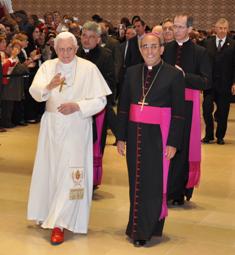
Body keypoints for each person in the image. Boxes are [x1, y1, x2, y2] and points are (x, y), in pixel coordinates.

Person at [27, 31, 111, 245]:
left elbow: (101, 101)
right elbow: (35, 92)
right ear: (56, 49)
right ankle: (47, 212)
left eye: (69, 49)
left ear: (76, 49)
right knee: (50, 170)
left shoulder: (88, 68)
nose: (65, 54)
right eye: (61, 49)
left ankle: (60, 223)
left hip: (76, 126)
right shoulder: (48, 67)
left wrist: (78, 106)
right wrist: (48, 86)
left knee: (70, 174)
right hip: (51, 126)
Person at [117, 33, 185, 247]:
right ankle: (138, 226)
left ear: (162, 49)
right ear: (140, 49)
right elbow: (124, 107)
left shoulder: (174, 75)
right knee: (136, 182)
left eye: (154, 46)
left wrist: (173, 142)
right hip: (135, 133)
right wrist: (120, 137)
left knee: (153, 183)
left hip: (158, 136)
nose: (149, 51)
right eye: (144, 46)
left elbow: (179, 113)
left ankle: (148, 228)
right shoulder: (131, 72)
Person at [163, 14, 211, 205]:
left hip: (188, 104)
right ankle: (166, 189)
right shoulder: (165, 49)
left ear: (190, 29)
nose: (176, 30)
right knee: (167, 146)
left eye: (181, 27)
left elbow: (207, 82)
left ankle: (180, 191)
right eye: (174, 26)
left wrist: (184, 76)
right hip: (167, 104)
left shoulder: (200, 52)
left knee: (182, 148)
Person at [77, 21, 117, 190]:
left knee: (94, 143)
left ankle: (91, 181)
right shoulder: (73, 53)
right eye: (84, 36)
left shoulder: (105, 55)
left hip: (96, 108)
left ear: (98, 38)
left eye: (91, 37)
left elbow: (110, 82)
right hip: (76, 108)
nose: (86, 40)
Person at [202, 18, 235, 145]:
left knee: (223, 112)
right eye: (220, 28)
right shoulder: (207, 43)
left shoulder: (232, 44)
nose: (222, 31)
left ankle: (220, 136)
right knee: (206, 109)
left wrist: (234, 83)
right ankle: (209, 135)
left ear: (228, 29)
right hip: (209, 84)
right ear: (215, 28)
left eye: (225, 28)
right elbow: (203, 63)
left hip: (225, 84)